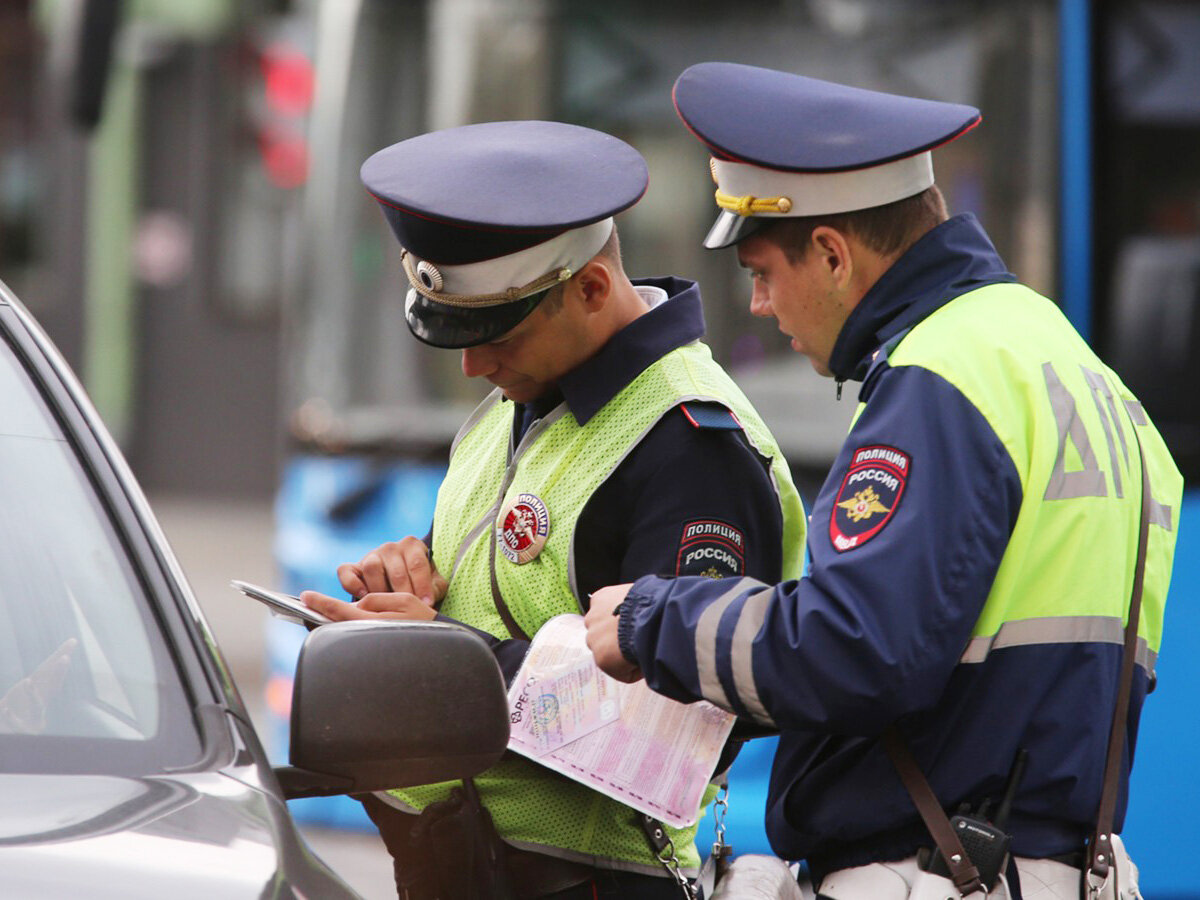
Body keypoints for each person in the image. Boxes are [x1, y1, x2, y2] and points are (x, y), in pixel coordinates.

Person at [584, 62, 1184, 900]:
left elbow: (854, 650)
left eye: (761, 274)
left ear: (831, 254)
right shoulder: (1072, 365)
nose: (759, 306)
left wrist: (652, 619)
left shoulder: (944, 372)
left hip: (938, 871)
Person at [300, 119, 806, 899]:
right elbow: (502, 592)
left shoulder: (692, 445)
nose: (472, 364)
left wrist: (438, 660)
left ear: (592, 290)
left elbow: (680, 718)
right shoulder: (525, 396)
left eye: (496, 332)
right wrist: (407, 579)